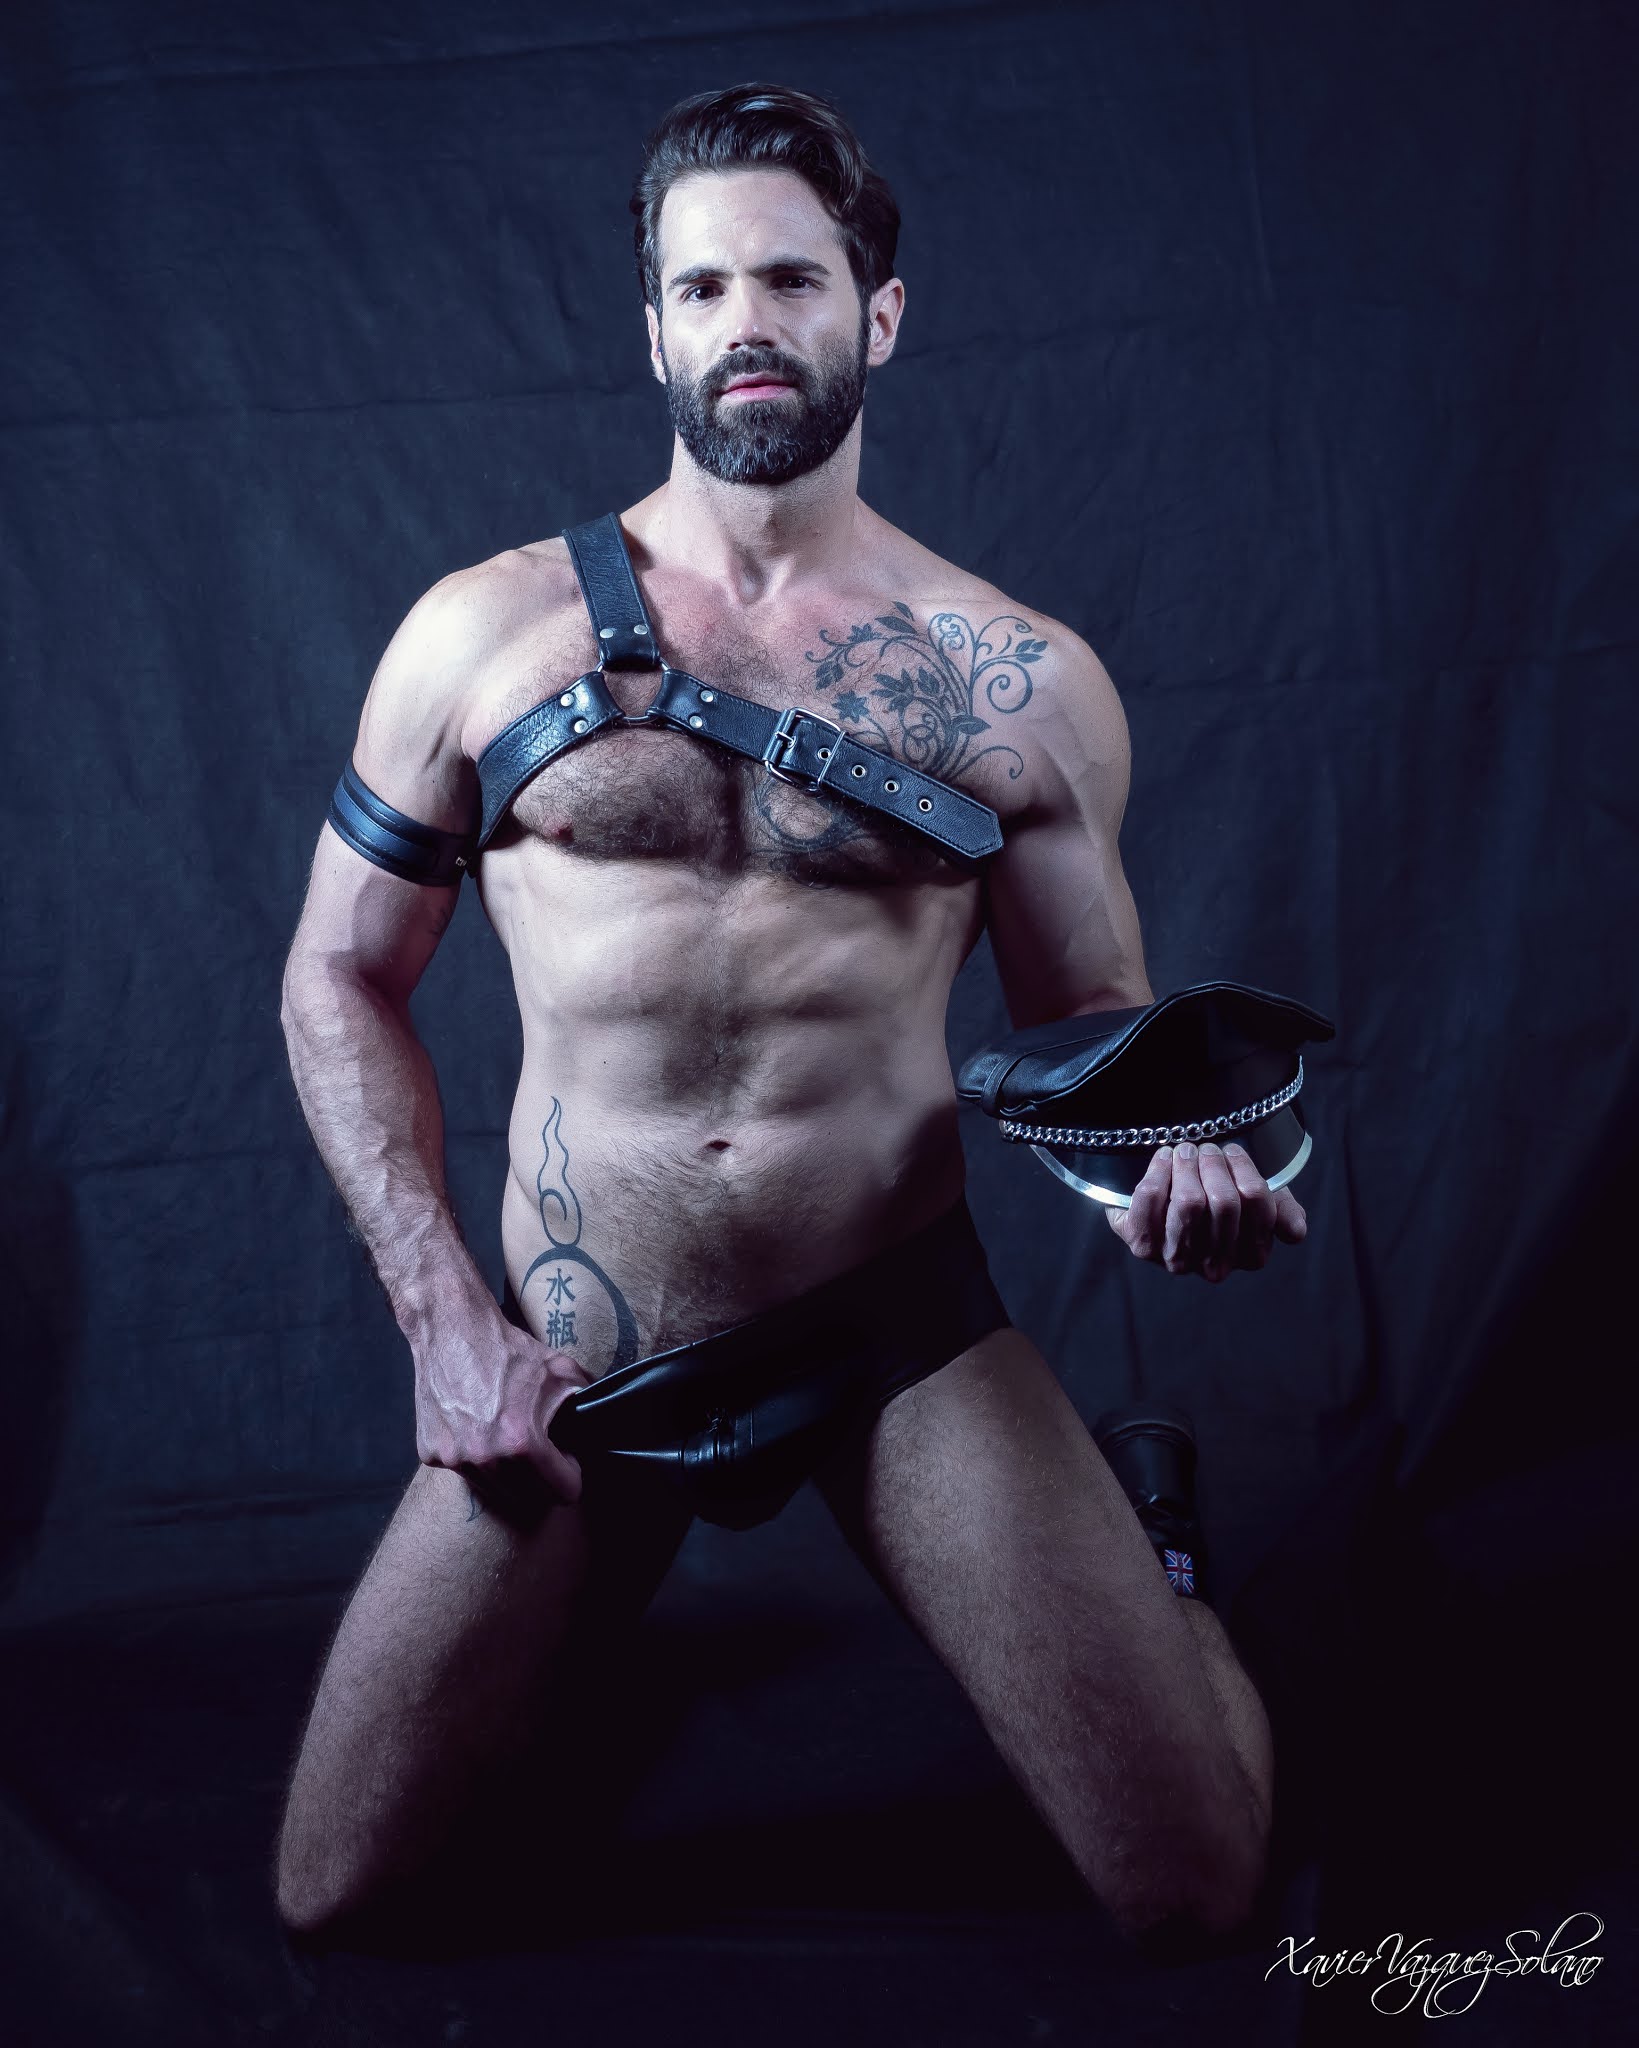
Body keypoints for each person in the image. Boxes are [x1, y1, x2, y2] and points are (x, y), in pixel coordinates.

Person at [274, 81, 1305, 1954]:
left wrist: (1177, 1155)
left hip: (887, 1328)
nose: (746, 320)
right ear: (652, 329)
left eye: (793, 280)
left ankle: (1161, 1570)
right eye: (704, 288)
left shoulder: (1020, 684)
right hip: (579, 1353)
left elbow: (1091, 1019)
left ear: (876, 314)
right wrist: (444, 1323)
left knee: (1196, 1887)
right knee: (335, 1894)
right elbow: (336, 976)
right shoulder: (481, 635)